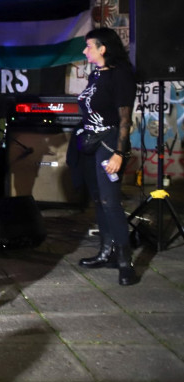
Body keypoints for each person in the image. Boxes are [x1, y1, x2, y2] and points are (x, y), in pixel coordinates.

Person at [74, 27, 137, 286]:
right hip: (91, 142)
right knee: (99, 200)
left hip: (110, 143)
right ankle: (105, 252)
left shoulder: (120, 75)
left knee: (111, 202)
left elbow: (124, 119)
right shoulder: (97, 74)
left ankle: (125, 264)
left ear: (103, 48)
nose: (84, 50)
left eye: (89, 46)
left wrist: (119, 154)